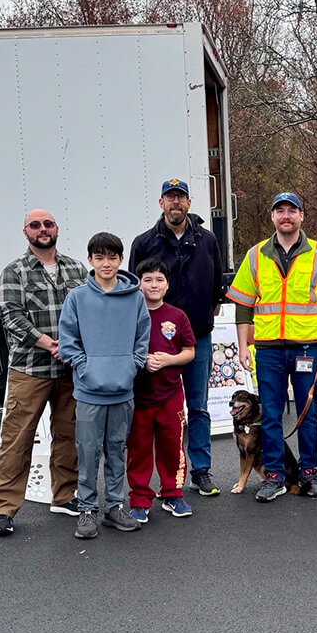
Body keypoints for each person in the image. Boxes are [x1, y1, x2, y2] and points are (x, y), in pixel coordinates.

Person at [227, 192, 317, 502]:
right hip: (267, 349)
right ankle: (274, 477)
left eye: (291, 211)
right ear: (272, 217)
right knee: (269, 414)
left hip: (307, 348)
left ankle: (309, 474)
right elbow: (243, 305)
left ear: (301, 216)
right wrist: (243, 347)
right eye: (279, 210)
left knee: (307, 413)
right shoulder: (255, 255)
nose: (285, 216)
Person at [0, 209, 87, 537]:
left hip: (70, 368)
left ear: (57, 228)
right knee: (17, 440)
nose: (42, 230)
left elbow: (89, 310)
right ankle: (3, 508)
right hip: (30, 369)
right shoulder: (14, 271)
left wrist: (72, 347)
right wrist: (50, 344)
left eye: (48, 224)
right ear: (26, 232)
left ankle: (65, 495)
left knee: (69, 435)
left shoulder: (76, 268)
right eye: (35, 225)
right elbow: (11, 316)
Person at [129, 179, 225, 497]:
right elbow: (132, 293)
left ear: (189, 203)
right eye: (170, 198)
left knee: (197, 407)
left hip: (196, 338)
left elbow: (216, 288)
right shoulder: (144, 243)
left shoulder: (208, 241)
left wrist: (199, 320)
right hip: (153, 344)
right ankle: (153, 481)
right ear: (161, 203)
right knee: (148, 412)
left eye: (181, 198)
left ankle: (200, 470)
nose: (175, 203)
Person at [58, 233, 150, 539]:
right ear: (90, 261)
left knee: (117, 451)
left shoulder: (135, 298)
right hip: (88, 391)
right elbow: (68, 342)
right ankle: (86, 509)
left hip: (123, 390)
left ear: (121, 260)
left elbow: (142, 340)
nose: (106, 263)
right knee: (87, 452)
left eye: (112, 257)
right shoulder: (77, 298)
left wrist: (130, 367)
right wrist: (86, 369)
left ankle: (114, 507)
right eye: (99, 257)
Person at [126, 258, 196, 521]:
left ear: (167, 284)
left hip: (170, 396)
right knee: (138, 449)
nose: (153, 285)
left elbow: (189, 352)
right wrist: (140, 360)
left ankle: (172, 494)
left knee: (172, 447)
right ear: (139, 283)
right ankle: (139, 499)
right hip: (137, 396)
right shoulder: (129, 315)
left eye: (159, 279)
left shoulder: (177, 316)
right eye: (147, 279)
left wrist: (168, 359)